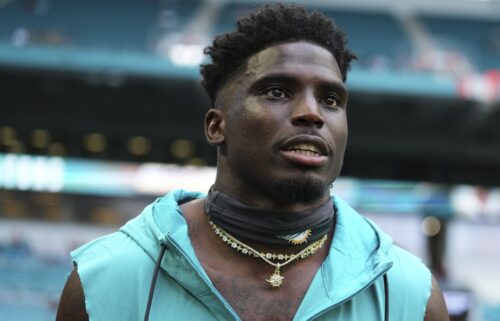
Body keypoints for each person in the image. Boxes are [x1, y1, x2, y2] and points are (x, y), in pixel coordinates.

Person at [56, 4, 449, 321]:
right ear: (216, 126)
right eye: (277, 91)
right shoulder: (105, 281)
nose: (312, 114)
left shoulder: (410, 294)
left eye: (330, 100)